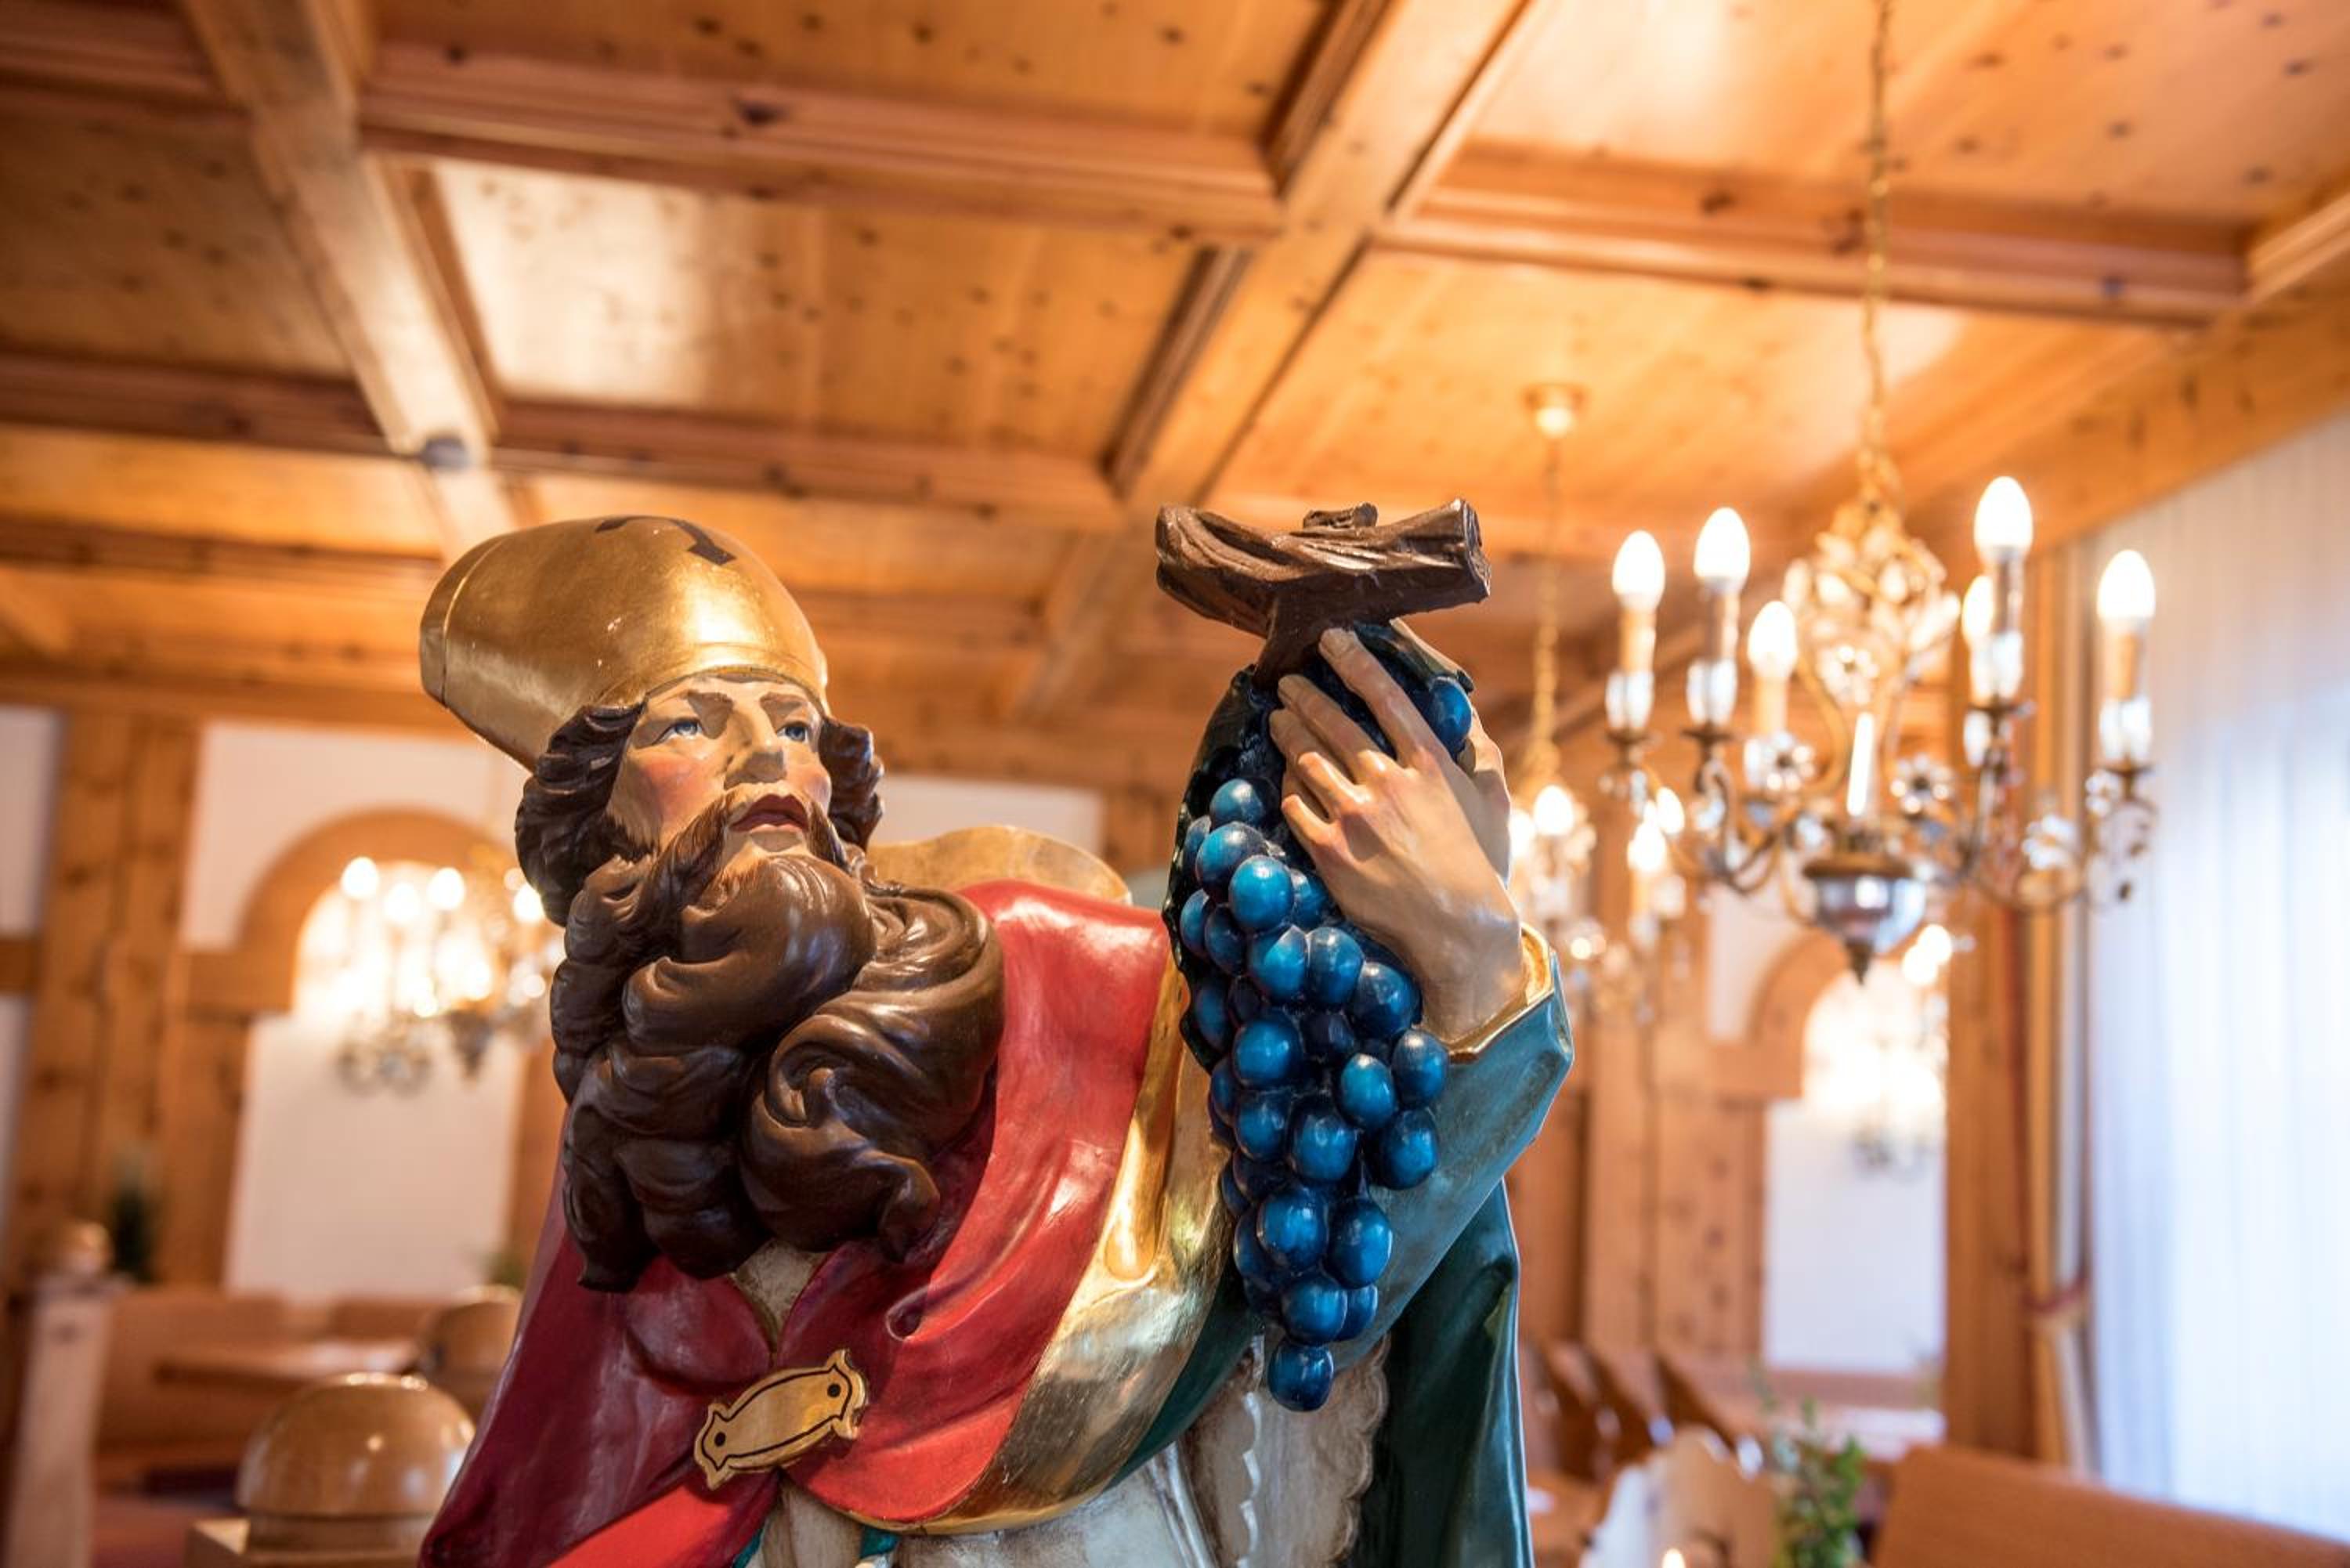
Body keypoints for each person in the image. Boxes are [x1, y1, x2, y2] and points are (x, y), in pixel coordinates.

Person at [414, 515, 1570, 1567]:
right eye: (688, 724)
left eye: (795, 725)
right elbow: (565, 1489)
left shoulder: (1051, 977)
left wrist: (1462, 956)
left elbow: (1324, 1230)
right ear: (600, 825)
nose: (768, 755)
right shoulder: (622, 1143)